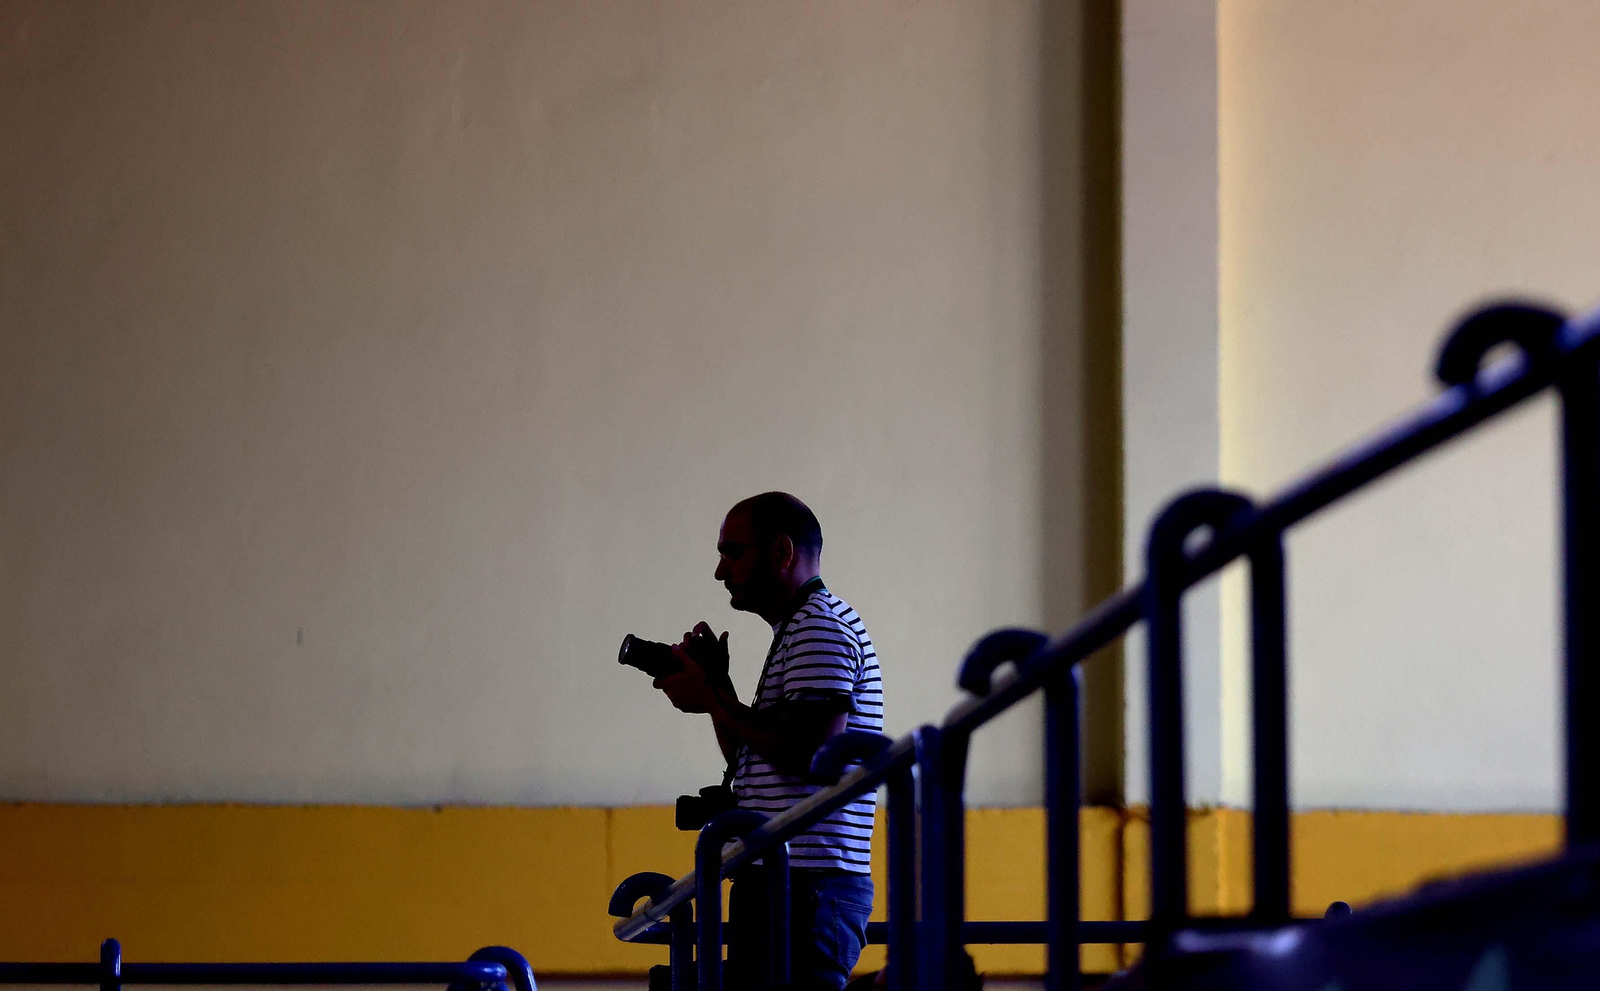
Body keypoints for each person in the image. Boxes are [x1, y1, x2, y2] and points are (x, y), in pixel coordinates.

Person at [655, 492, 884, 989]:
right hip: (786, 881)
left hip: (806, 885)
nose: (720, 571)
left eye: (733, 552)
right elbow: (758, 759)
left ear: (782, 552)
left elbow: (811, 757)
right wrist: (718, 688)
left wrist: (715, 701)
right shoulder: (798, 630)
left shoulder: (819, 628)